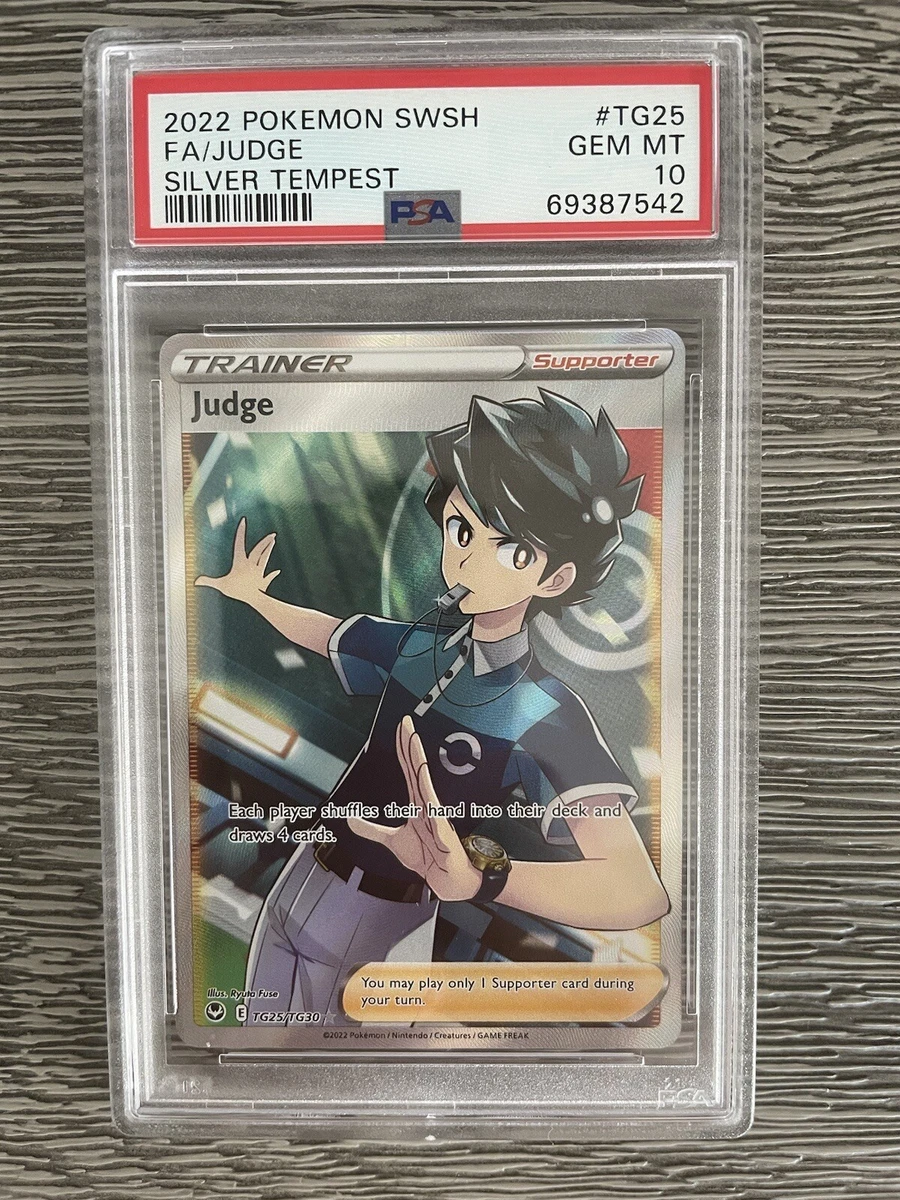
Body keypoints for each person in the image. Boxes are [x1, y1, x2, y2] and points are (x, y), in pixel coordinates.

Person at [196, 389, 670, 1023]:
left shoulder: (545, 711)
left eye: (512, 549)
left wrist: (482, 879)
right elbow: (332, 632)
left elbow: (633, 889)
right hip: (305, 874)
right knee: (255, 1044)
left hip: (384, 920)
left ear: (554, 578)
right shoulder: (423, 645)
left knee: (343, 1070)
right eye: (461, 529)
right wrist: (257, 600)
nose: (468, 556)